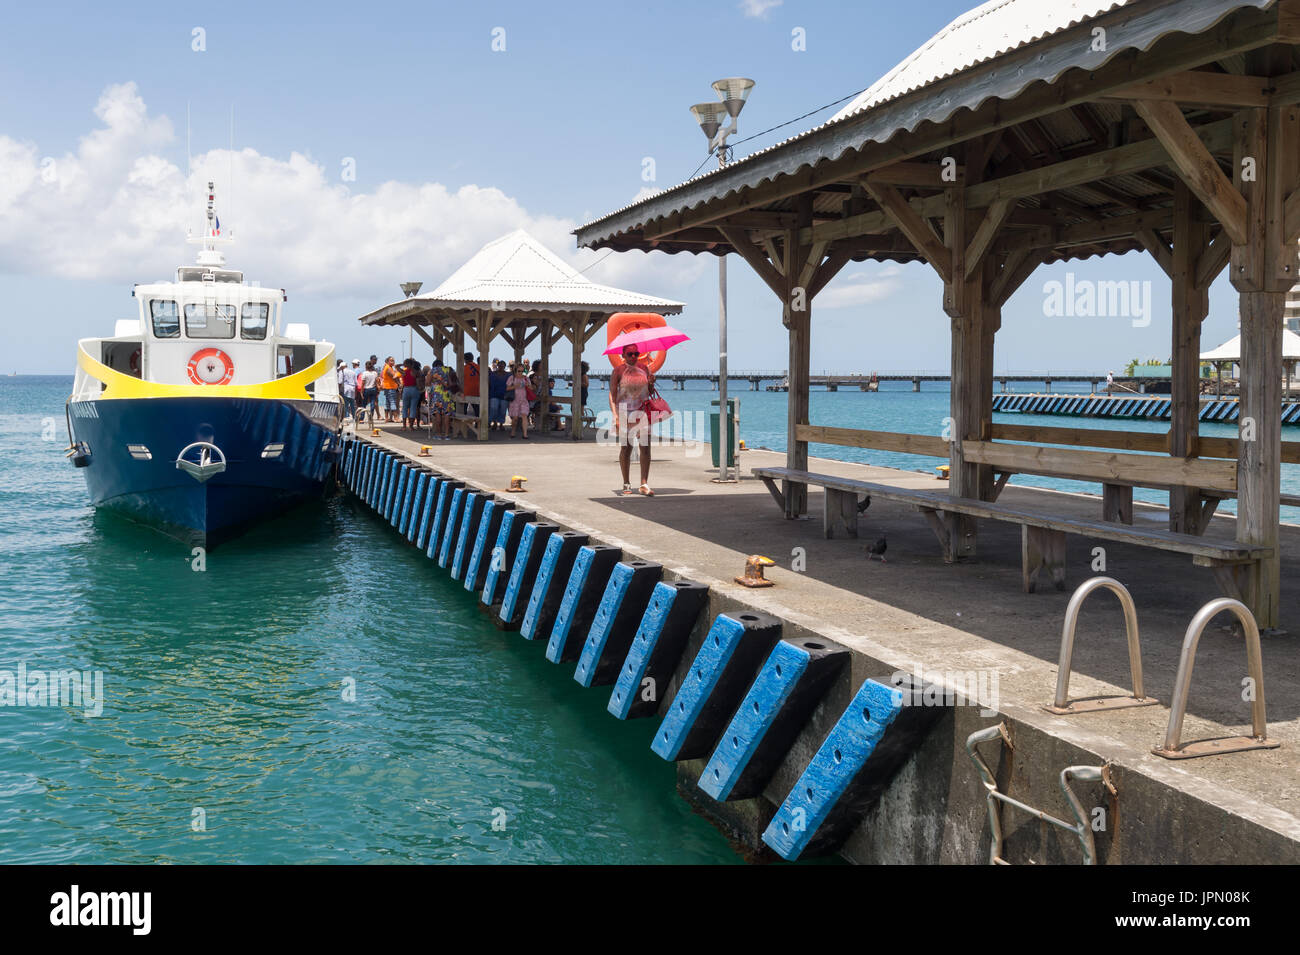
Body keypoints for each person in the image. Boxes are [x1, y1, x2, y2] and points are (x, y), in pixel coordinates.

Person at [609, 343, 654, 495]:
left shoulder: (644, 369)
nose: (634, 356)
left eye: (636, 353)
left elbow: (650, 392)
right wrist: (615, 415)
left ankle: (644, 483)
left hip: (642, 411)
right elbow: (612, 396)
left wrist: (652, 383)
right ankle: (626, 482)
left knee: (645, 448)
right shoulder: (618, 371)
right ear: (623, 355)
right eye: (630, 354)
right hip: (624, 412)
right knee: (626, 448)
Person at [426, 359, 453, 439]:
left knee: (437, 414)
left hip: (436, 395)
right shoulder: (447, 370)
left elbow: (427, 382)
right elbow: (450, 383)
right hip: (446, 394)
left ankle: (439, 434)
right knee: (446, 414)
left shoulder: (432, 370)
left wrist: (432, 384)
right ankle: (447, 435)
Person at [507, 362, 532, 439]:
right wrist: (515, 386)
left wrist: (528, 385)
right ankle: (513, 431)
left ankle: (525, 434)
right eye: (519, 371)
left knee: (524, 416)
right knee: (515, 418)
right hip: (514, 400)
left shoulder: (526, 378)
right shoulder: (512, 378)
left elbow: (531, 388)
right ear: (515, 371)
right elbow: (507, 388)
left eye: (522, 371)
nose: (521, 373)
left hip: (524, 400)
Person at [488, 359, 509, 431]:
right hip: (494, 395)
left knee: (503, 410)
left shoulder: (508, 375)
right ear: (497, 366)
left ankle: (501, 424)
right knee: (494, 408)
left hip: (504, 396)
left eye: (502, 366)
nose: (501, 367)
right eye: (499, 365)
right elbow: (489, 384)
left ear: (505, 366)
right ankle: (494, 423)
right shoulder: (493, 374)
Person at [400, 358, 421, 430]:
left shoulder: (404, 371)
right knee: (413, 408)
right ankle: (411, 426)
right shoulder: (416, 372)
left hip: (406, 389)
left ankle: (404, 426)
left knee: (405, 408)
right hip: (414, 389)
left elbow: (396, 367)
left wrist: (403, 364)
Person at [380, 356, 402, 421]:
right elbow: (394, 376)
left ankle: (387, 418)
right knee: (393, 402)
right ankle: (395, 418)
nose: (393, 362)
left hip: (387, 387)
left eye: (393, 360)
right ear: (387, 361)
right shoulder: (388, 368)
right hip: (391, 387)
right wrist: (399, 383)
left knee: (387, 402)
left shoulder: (387, 367)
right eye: (391, 360)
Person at [462, 352, 480, 417]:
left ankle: (464, 425)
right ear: (472, 358)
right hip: (477, 392)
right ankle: (478, 425)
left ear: (465, 359)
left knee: (463, 411)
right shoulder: (478, 367)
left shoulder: (464, 368)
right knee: (477, 411)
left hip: (466, 392)